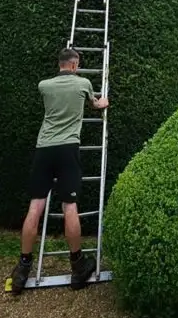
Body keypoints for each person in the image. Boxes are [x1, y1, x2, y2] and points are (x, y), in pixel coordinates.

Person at [9, 47, 110, 294]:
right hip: (67, 149)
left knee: (35, 207)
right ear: (75, 65)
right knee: (69, 207)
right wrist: (103, 102)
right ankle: (78, 266)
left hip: (43, 148)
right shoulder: (84, 84)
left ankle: (22, 268)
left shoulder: (44, 86)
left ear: (60, 64)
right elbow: (96, 104)